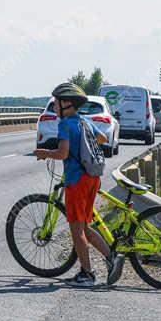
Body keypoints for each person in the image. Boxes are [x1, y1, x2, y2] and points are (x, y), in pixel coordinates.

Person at [34, 82, 125, 287]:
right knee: (84, 226)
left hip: (76, 180)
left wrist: (44, 153)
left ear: (67, 103)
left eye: (57, 104)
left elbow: (62, 153)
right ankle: (112, 257)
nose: (55, 107)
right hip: (92, 177)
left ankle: (87, 274)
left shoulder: (65, 125)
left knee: (77, 231)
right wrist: (84, 150)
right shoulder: (83, 121)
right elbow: (101, 138)